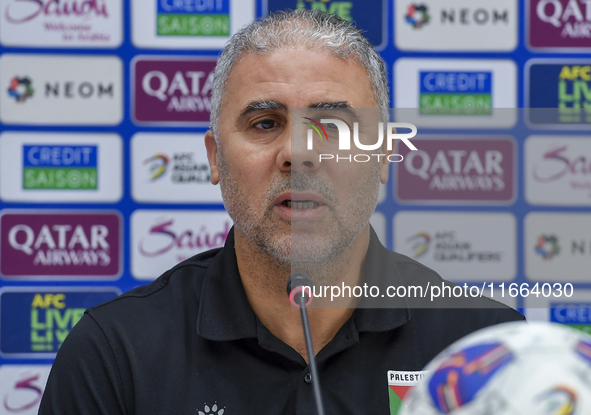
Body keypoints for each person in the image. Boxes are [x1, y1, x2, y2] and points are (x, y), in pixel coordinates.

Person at [39, 9, 524, 415]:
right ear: (214, 158)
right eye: (265, 123)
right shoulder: (115, 353)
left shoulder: (485, 346)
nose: (298, 152)